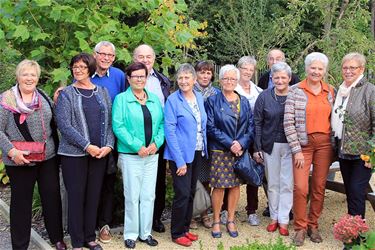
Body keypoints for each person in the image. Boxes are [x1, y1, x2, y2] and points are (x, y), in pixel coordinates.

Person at [0, 59, 66, 250]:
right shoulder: (6, 100)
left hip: (47, 158)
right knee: (21, 204)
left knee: (52, 198)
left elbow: (55, 122)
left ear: (37, 78)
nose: (29, 78)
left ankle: (57, 239)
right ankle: (20, 245)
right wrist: (12, 152)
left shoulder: (43, 96)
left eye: (33, 75)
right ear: (18, 76)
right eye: (25, 74)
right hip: (19, 160)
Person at [55, 53, 115, 250]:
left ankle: (90, 237)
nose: (78, 70)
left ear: (90, 68)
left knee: (93, 195)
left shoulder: (103, 91)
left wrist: (108, 146)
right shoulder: (67, 94)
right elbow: (64, 125)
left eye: (82, 66)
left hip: (99, 154)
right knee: (76, 197)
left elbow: (109, 123)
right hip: (74, 155)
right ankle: (78, 242)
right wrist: (87, 146)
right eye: (75, 67)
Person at [284, 52, 334, 246]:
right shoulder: (295, 90)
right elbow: (288, 122)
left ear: (325, 71)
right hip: (302, 146)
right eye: (313, 67)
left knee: (319, 186)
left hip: (324, 145)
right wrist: (296, 149)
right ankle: (300, 227)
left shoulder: (330, 91)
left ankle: (313, 225)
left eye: (320, 68)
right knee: (300, 187)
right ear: (306, 69)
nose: (316, 71)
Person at [112, 62, 164, 249]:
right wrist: (137, 146)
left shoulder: (154, 99)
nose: (140, 79)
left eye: (142, 76)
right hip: (131, 156)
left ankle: (146, 233)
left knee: (149, 195)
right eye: (136, 76)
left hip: (152, 155)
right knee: (132, 196)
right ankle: (131, 234)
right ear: (129, 79)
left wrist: (155, 143)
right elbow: (118, 126)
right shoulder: (121, 100)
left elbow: (162, 125)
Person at [206, 65, 254, 239]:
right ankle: (217, 220)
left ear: (237, 81)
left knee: (235, 185)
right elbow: (210, 127)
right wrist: (229, 143)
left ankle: (231, 219)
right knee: (219, 187)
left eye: (233, 79)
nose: (229, 82)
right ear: (220, 80)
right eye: (226, 78)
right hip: (220, 150)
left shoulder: (244, 101)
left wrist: (241, 143)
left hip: (238, 151)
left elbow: (251, 126)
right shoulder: (212, 101)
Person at [127, 44, 171, 233]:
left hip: (157, 140)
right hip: (133, 141)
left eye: (148, 56)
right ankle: (133, 223)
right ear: (134, 58)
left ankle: (154, 218)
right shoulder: (127, 78)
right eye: (140, 56)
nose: (145, 60)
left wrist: (158, 141)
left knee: (158, 181)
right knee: (133, 184)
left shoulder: (162, 80)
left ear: (154, 59)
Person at [164, 63, 207, 247]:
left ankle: (185, 228)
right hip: (179, 155)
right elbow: (170, 131)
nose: (183, 81)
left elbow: (201, 124)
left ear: (194, 80)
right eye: (180, 78)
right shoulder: (173, 100)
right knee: (181, 194)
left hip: (197, 152)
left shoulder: (198, 97)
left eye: (187, 77)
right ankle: (176, 232)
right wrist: (179, 160)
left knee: (190, 192)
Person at [331, 52, 375, 219]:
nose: (348, 71)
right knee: (350, 191)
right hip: (343, 150)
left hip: (363, 154)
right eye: (345, 67)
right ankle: (351, 230)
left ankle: (356, 237)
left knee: (356, 191)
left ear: (361, 69)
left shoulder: (370, 91)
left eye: (353, 68)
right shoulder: (341, 90)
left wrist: (372, 154)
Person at [253, 62, 293, 236]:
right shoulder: (264, 97)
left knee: (287, 184)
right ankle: (274, 217)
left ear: (289, 79)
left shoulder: (296, 95)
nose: (280, 80)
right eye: (276, 77)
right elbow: (257, 122)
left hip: (292, 145)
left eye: (283, 77)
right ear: (272, 78)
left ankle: (284, 219)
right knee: (273, 183)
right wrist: (258, 147)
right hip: (270, 145)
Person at [91, 41, 125, 243]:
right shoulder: (86, 72)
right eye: (102, 54)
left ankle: (104, 225)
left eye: (109, 55)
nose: (105, 58)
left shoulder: (119, 76)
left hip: (111, 140)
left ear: (114, 58)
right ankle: (89, 225)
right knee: (89, 183)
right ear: (94, 55)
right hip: (89, 140)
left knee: (108, 184)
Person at [190, 60, 220, 229]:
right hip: (194, 142)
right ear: (196, 74)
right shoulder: (189, 91)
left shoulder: (216, 93)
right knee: (194, 179)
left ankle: (205, 212)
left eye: (208, 72)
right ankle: (192, 214)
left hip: (211, 141)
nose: (205, 75)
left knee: (207, 178)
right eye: (201, 72)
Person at [235, 56, 263, 226]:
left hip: (253, 137)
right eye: (244, 68)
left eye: (250, 69)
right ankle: (225, 209)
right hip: (235, 137)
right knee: (231, 173)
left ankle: (252, 210)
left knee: (253, 172)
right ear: (238, 69)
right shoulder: (231, 88)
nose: (247, 72)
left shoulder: (258, 91)